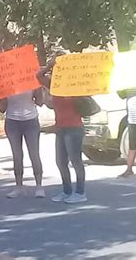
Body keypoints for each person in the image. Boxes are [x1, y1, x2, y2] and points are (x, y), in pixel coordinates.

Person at [36, 52, 88, 204]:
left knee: (75, 160)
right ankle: (67, 190)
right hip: (61, 127)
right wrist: (50, 64)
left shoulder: (75, 83)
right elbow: (38, 76)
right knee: (60, 161)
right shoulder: (54, 83)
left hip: (74, 127)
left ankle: (80, 192)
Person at [0, 90, 45, 198]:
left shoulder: (30, 80)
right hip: (12, 121)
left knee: (34, 154)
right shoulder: (6, 83)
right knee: (17, 155)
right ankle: (19, 186)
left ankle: (39, 186)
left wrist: (39, 89)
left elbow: (40, 102)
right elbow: (2, 108)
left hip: (30, 120)